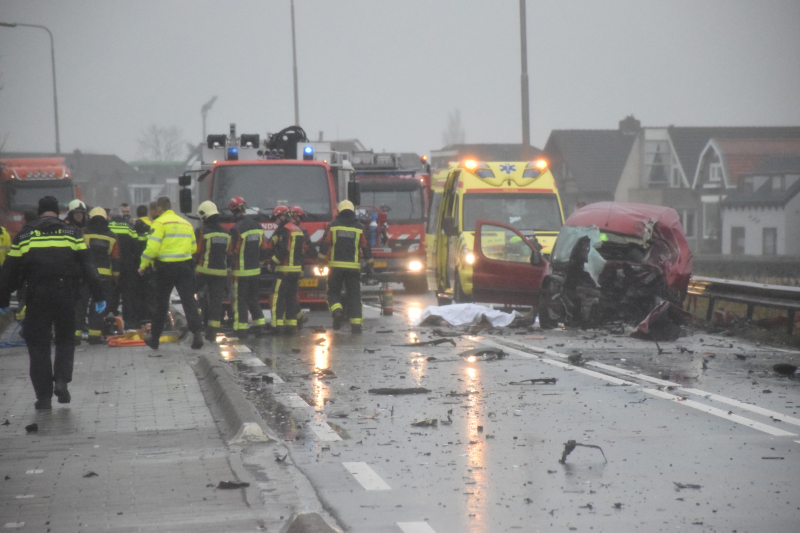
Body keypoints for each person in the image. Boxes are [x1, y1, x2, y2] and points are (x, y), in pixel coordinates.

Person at [0, 196, 105, 410]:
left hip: (37, 296)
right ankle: (61, 381)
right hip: (66, 294)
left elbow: (9, 271)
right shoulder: (72, 233)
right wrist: (99, 296)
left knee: (38, 345)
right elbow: (89, 267)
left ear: (40, 212)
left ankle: (44, 396)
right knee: (66, 340)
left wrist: (3, 299)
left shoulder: (25, 234)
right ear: (58, 212)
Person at [138, 196, 204, 350]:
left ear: (160, 208)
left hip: (165, 268)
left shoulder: (159, 223)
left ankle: (154, 338)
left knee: (161, 304)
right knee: (189, 301)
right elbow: (193, 248)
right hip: (185, 267)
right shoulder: (186, 223)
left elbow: (152, 248)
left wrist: (143, 265)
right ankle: (197, 335)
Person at [318, 200, 374, 333]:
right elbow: (366, 247)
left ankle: (337, 311)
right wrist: (370, 266)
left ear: (339, 211)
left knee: (333, 292)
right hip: (353, 269)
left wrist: (321, 262)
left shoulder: (333, 226)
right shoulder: (359, 227)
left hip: (335, 267)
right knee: (354, 296)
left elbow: (325, 244)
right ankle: (356, 325)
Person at [228, 196, 268, 337]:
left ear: (233, 211)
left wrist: (229, 267)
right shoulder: (257, 226)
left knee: (241, 301)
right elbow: (264, 248)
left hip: (241, 272)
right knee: (254, 299)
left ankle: (241, 328)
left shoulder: (236, 229)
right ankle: (259, 326)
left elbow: (232, 251)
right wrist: (261, 261)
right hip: (255, 271)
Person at [80, 207, 120, 344]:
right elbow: (115, 258)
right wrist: (115, 277)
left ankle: (74, 335)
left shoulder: (83, 233)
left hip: (85, 276)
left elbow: (78, 253)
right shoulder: (112, 235)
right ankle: (94, 336)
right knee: (98, 307)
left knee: (80, 305)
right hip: (104, 278)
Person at [265, 206, 307, 335]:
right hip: (295, 271)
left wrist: (272, 262)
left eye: (276, 219)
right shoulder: (298, 230)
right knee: (290, 299)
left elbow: (283, 251)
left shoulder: (284, 230)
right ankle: (291, 327)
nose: (275, 222)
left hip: (284, 271)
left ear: (282, 216)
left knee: (277, 298)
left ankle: (276, 327)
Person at [194, 200, 230, 341]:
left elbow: (196, 251)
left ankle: (199, 325)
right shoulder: (226, 233)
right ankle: (212, 332)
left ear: (203, 216)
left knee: (197, 298)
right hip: (220, 273)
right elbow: (230, 252)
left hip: (203, 272)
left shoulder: (202, 231)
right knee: (216, 302)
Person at [108, 205, 138, 328]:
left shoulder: (108, 227)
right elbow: (136, 248)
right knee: (127, 296)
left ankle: (112, 321)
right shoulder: (129, 227)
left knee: (112, 295)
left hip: (112, 266)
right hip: (127, 266)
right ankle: (129, 323)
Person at [132, 204, 154, 324]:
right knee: (149, 292)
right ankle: (149, 317)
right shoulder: (152, 225)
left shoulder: (134, 225)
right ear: (147, 213)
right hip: (150, 264)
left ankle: (139, 318)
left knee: (138, 292)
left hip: (136, 263)